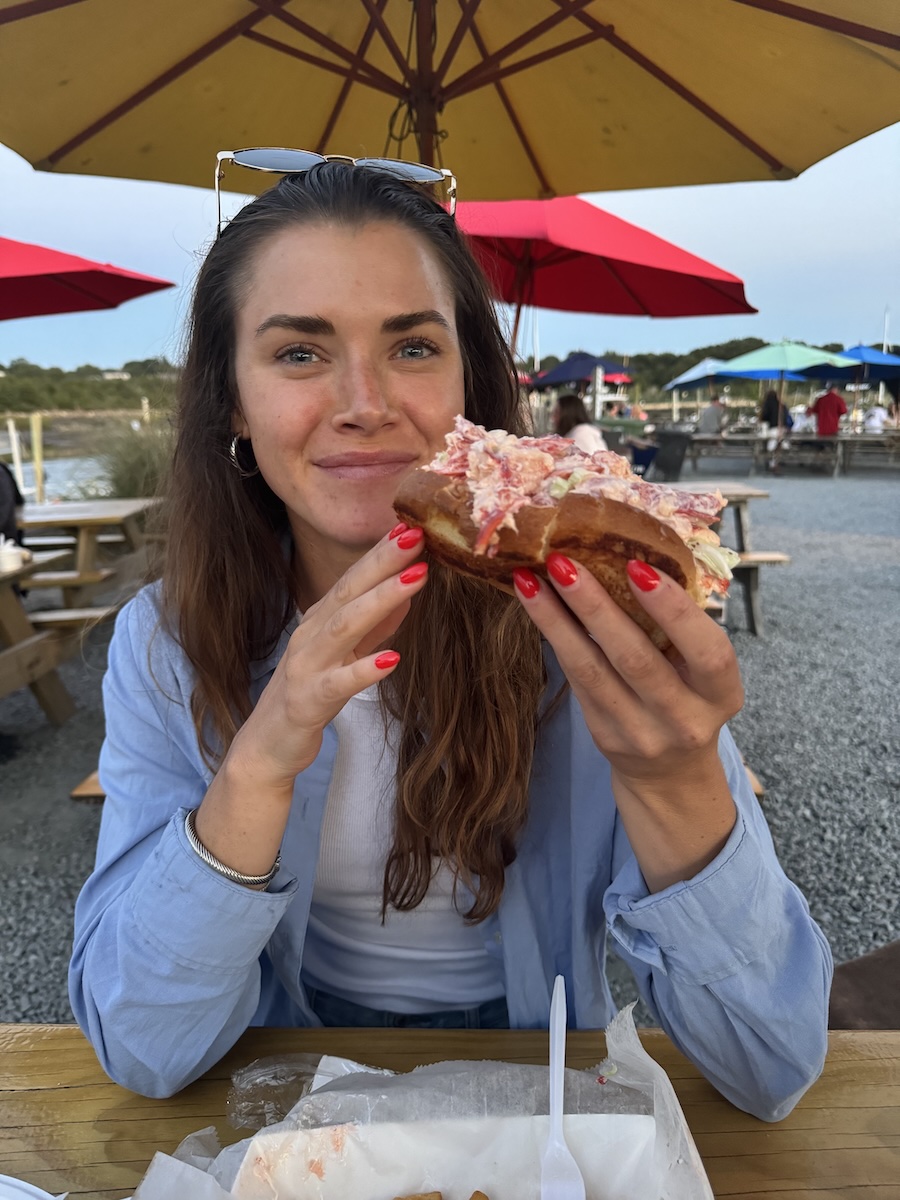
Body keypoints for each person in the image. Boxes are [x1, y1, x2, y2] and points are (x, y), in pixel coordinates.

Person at [69, 157, 831, 1119]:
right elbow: (141, 1046)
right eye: (299, 353)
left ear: (471, 379)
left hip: (542, 1083)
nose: (366, 402)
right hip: (285, 1077)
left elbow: (771, 1065)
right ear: (232, 402)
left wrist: (673, 780)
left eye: (414, 347)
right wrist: (259, 763)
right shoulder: (167, 644)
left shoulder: (590, 627)